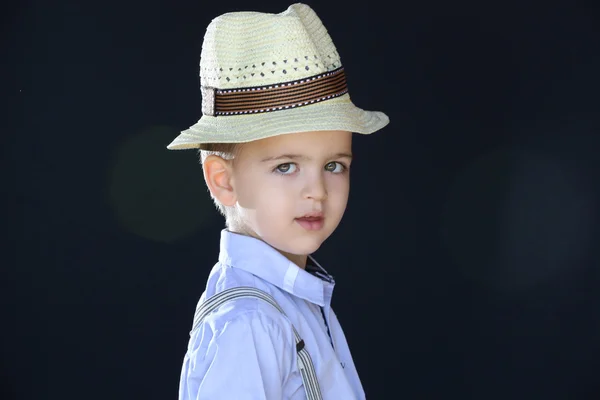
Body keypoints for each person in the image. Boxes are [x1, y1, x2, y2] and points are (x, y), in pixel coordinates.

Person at [167, 3, 389, 399]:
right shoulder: (251, 322)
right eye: (286, 167)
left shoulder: (293, 299)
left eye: (334, 165)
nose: (317, 190)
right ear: (223, 181)